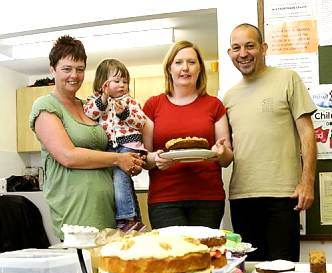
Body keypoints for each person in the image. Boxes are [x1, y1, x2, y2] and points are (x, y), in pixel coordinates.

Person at [29, 36, 145, 240]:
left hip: (111, 210)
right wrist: (118, 159)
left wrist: (135, 160)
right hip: (77, 211)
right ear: (52, 69)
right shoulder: (45, 105)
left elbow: (117, 142)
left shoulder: (89, 106)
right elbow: (68, 156)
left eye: (80, 69)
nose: (74, 75)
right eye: (67, 68)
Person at [224, 23, 317, 262]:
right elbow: (228, 149)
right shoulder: (229, 97)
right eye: (236, 48)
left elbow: (308, 134)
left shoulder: (288, 79)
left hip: (283, 196)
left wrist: (307, 182)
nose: (243, 53)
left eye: (249, 46)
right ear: (229, 53)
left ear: (263, 48)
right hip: (241, 197)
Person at [143, 40, 233, 229]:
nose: (185, 68)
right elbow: (145, 158)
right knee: (172, 256)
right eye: (178, 62)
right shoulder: (153, 105)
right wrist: (155, 159)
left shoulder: (214, 105)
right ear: (169, 68)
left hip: (207, 197)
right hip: (164, 199)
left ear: (200, 68)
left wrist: (220, 151)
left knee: (204, 256)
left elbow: (226, 158)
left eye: (191, 62)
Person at [83, 59, 151, 232]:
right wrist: (104, 98)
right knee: (119, 179)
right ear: (103, 83)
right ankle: (135, 219)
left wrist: (125, 113)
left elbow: (141, 121)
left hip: (129, 144)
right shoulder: (96, 101)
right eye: (117, 81)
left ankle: (126, 218)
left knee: (120, 176)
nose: (122, 85)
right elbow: (89, 113)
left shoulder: (130, 102)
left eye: (125, 81)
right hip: (109, 147)